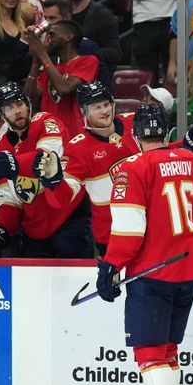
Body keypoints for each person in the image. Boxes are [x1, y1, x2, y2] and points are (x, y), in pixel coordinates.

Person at [97, 102, 193, 385]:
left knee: (150, 349)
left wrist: (110, 265)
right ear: (166, 133)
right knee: (168, 348)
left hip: (153, 271)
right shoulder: (190, 159)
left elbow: (129, 228)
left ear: (135, 136)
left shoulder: (132, 168)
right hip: (189, 269)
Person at [0, 82, 93, 258]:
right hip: (34, 232)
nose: (17, 111)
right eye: (9, 107)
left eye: (20, 104)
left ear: (28, 104)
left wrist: (12, 163)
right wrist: (3, 229)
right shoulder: (1, 148)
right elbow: (11, 198)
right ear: (1, 115)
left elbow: (47, 159)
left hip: (69, 220)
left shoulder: (47, 121)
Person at [42, 81, 141, 256]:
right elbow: (62, 200)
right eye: (97, 107)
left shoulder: (134, 123)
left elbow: (160, 151)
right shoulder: (77, 149)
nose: (105, 111)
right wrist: (54, 182)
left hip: (147, 223)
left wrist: (187, 143)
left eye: (106, 104)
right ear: (85, 112)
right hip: (111, 234)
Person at [24, 20, 99, 136]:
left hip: (76, 135)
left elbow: (64, 88)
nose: (47, 39)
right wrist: (36, 60)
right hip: (51, 135)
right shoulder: (50, 68)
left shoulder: (88, 61)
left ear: (69, 37)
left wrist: (42, 54)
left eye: (52, 34)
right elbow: (30, 95)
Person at [63, 0, 121, 73]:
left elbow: (115, 53)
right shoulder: (62, 13)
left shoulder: (102, 15)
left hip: (92, 75)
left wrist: (86, 52)